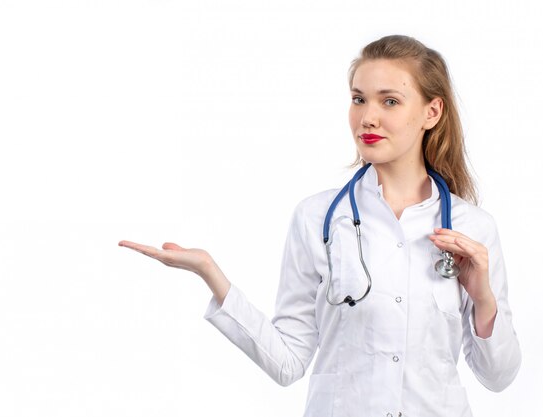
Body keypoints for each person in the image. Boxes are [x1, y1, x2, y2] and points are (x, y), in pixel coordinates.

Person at [119, 34, 521, 417]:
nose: (368, 117)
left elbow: (499, 377)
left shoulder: (472, 228)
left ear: (431, 113)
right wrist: (211, 273)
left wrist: (483, 297)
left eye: (390, 101)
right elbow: (288, 362)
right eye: (359, 99)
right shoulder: (318, 218)